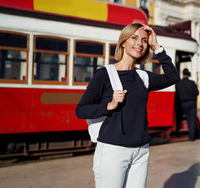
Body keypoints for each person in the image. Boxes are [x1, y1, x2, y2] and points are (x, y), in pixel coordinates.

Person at [75, 23, 180, 188]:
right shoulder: (104, 74)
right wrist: (109, 105)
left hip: (141, 150)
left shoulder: (143, 76)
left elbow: (173, 77)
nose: (140, 43)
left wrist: (157, 46)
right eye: (134, 38)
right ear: (123, 42)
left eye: (144, 40)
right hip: (113, 150)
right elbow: (80, 110)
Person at [175, 68, 199, 141]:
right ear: (188, 74)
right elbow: (197, 93)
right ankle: (191, 137)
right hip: (192, 102)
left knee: (186, 118)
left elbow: (177, 95)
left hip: (183, 103)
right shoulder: (192, 83)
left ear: (182, 74)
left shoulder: (178, 83)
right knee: (192, 120)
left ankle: (178, 130)